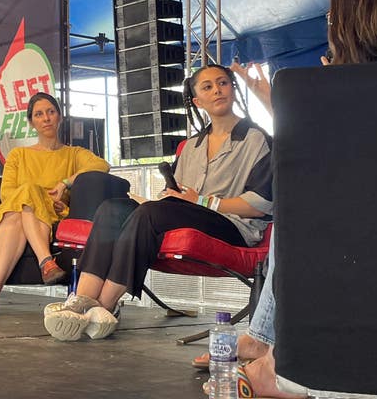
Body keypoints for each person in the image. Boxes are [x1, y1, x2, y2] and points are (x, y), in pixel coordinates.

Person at [215, 0, 377, 399]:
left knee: (304, 208)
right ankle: (267, 347)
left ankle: (271, 352)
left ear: (361, 6)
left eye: (334, 11)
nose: (330, 21)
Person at [42, 64, 273, 345]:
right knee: (113, 208)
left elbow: (259, 206)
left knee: (152, 212)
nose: (217, 90)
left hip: (233, 226)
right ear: (197, 101)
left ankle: (104, 304)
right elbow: (174, 195)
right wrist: (166, 199)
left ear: (233, 90)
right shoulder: (191, 147)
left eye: (223, 83)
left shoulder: (257, 139)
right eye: (208, 86)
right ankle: (83, 299)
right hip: (183, 213)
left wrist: (201, 201)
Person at [0, 92, 110, 316]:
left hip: (51, 213)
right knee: (24, 197)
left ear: (59, 116)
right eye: (39, 114)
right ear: (31, 122)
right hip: (17, 210)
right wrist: (34, 195)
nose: (46, 118)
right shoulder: (19, 155)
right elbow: (7, 194)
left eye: (51, 112)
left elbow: (101, 165)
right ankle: (46, 261)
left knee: (25, 201)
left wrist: (65, 183)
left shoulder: (74, 154)